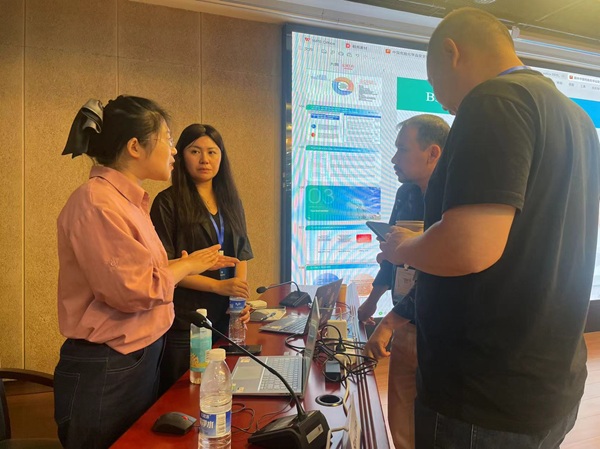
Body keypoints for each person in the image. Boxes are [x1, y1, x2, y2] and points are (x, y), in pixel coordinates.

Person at [366, 7, 600, 449]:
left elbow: (468, 247)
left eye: (434, 83)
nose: (441, 102)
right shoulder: (578, 120)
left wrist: (404, 247)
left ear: (452, 53)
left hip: (483, 392)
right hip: (550, 382)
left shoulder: (494, 100)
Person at [54, 96, 238, 449]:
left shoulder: (129, 202)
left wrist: (187, 264)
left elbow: (145, 273)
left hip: (138, 357)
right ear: (135, 146)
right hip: (109, 365)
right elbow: (133, 290)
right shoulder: (97, 202)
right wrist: (187, 265)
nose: (173, 149)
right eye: (167, 138)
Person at [358, 114, 449, 449]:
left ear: (433, 153)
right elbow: (392, 253)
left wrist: (389, 323)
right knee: (400, 415)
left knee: (435, 420)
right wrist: (372, 301)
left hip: (438, 328)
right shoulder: (407, 193)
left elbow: (438, 274)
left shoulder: (456, 202)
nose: (393, 159)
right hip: (404, 318)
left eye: (402, 149)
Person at [150, 123, 253, 393]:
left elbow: (241, 253)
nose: (204, 159)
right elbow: (165, 268)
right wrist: (219, 286)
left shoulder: (231, 201)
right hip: (187, 321)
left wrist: (238, 298)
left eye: (212, 152)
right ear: (181, 155)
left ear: (221, 157)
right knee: (186, 395)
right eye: (195, 151)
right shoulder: (167, 202)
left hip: (226, 318)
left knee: (224, 389)